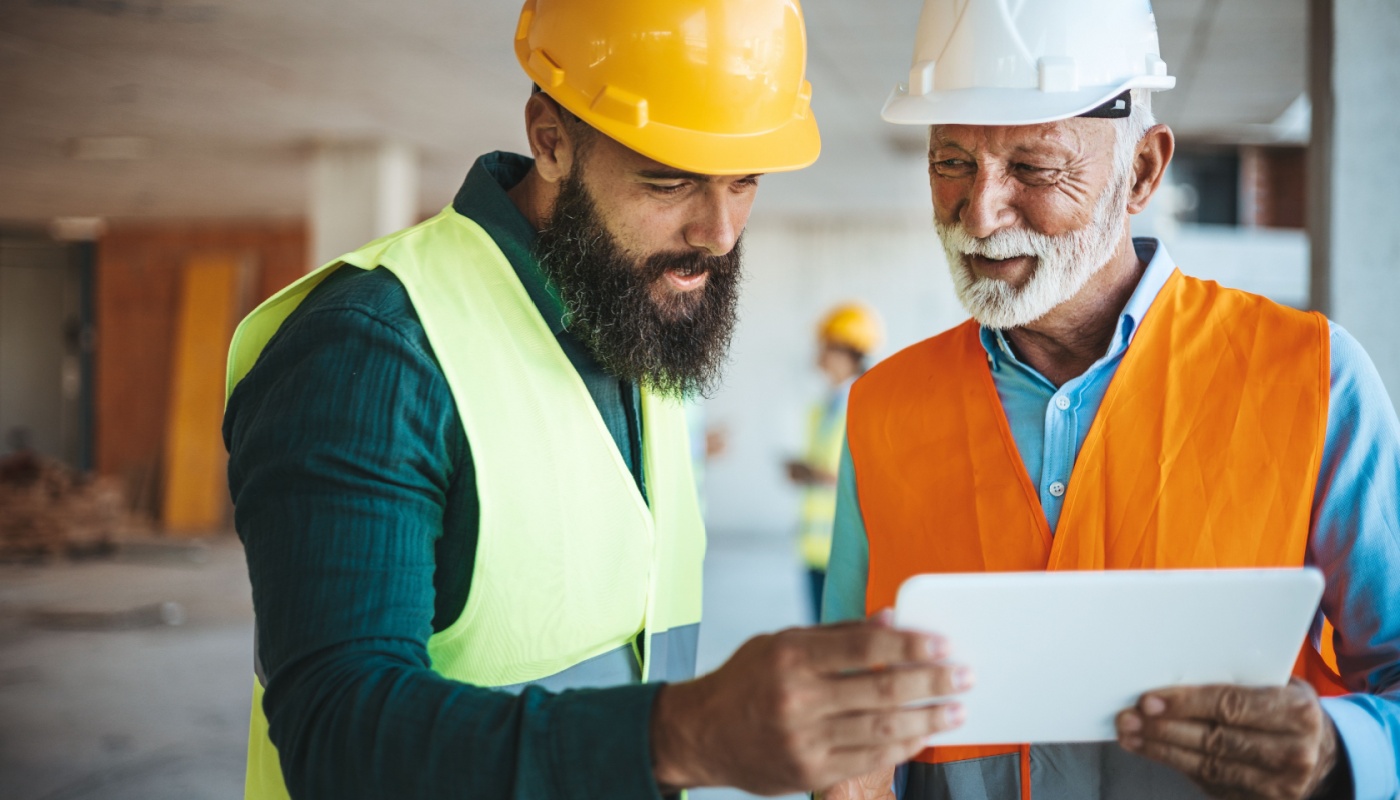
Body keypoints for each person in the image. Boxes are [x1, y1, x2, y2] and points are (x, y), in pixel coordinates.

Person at [223, 2, 971, 798]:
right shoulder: (373, 353)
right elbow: (337, 736)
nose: (719, 232)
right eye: (669, 179)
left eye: (745, 181)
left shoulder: (635, 319)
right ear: (550, 138)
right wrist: (684, 734)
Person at [821, 0, 1400, 798]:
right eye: (951, 160)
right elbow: (844, 716)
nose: (980, 213)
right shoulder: (881, 408)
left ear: (1142, 172)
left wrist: (1343, 750)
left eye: (1034, 167)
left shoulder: (1313, 379)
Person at [785, 303, 882, 620]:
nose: (819, 353)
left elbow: (872, 475)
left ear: (847, 352)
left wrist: (814, 474)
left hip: (846, 546)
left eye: (825, 345)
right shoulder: (822, 407)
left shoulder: (868, 403)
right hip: (815, 546)